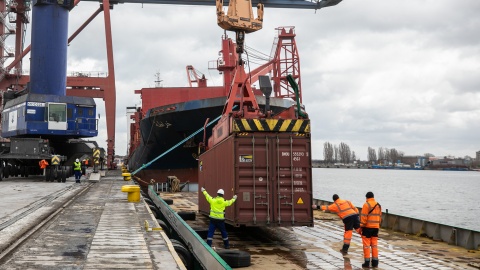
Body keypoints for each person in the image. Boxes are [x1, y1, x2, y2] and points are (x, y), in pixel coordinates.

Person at [360, 191, 382, 268]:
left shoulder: (366, 205)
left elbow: (364, 217)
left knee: (366, 246)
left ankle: (366, 262)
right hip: (376, 227)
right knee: (374, 245)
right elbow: (380, 216)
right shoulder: (378, 205)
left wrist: (361, 226)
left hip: (367, 228)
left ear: (366, 197)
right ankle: (375, 262)